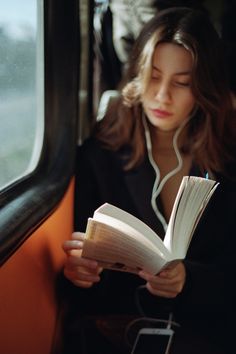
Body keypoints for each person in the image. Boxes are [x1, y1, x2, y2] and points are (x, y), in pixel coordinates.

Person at [62, 7, 236, 354]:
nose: (161, 96)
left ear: (204, 87)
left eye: (182, 83)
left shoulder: (229, 162)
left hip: (206, 336)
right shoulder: (99, 157)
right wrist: (79, 274)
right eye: (152, 77)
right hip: (119, 336)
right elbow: (86, 293)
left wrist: (189, 281)